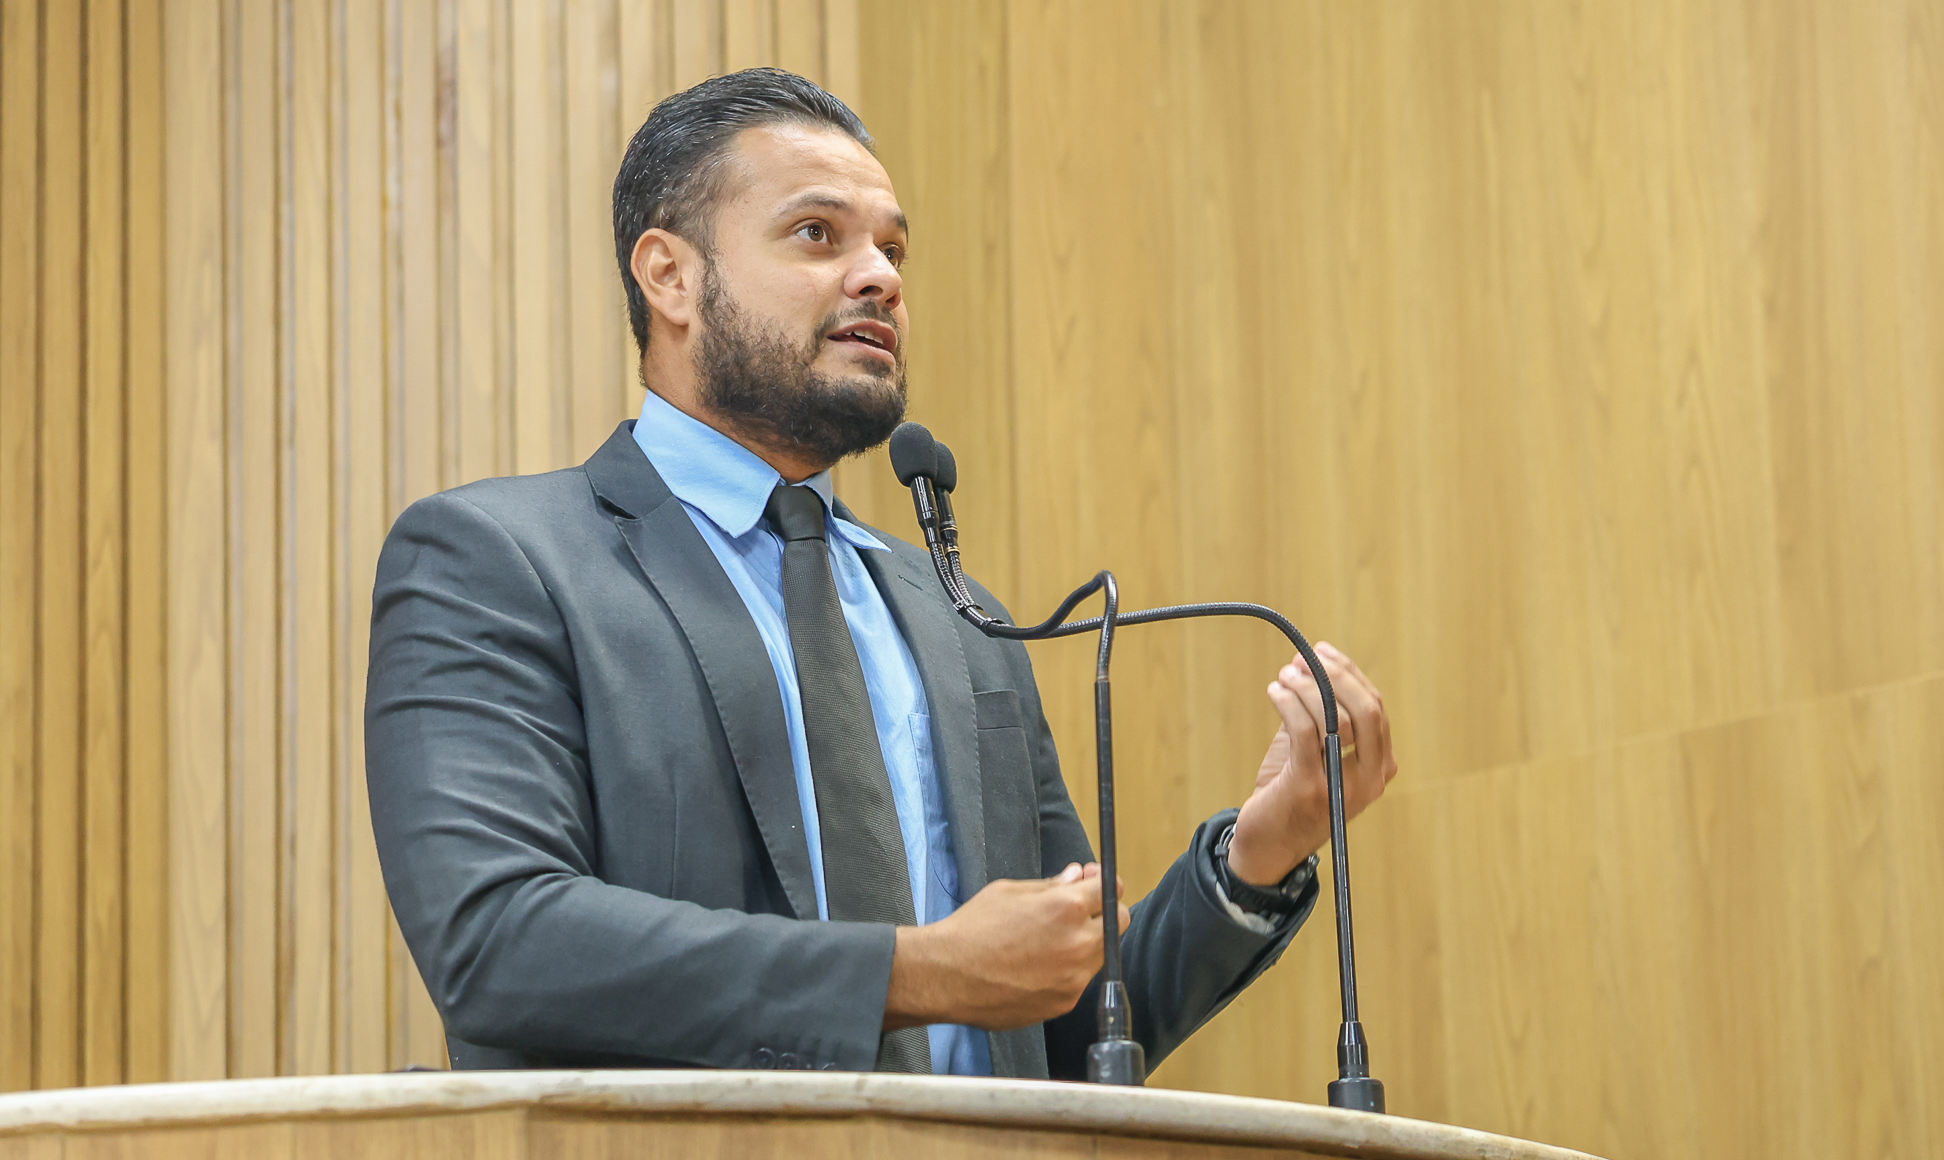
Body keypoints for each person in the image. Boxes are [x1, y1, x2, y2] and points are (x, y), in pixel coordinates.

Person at [364, 68, 1397, 1077]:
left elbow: (1072, 1020)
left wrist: (1258, 853)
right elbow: (497, 939)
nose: (881, 278)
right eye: (818, 234)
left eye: (892, 248)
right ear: (669, 275)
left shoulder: (960, 621)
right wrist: (918, 972)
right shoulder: (499, 561)